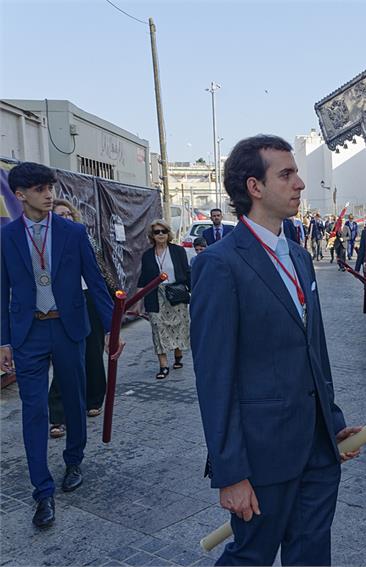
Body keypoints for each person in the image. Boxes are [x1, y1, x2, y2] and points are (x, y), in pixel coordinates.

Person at [191, 134, 361, 565]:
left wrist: (333, 422)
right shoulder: (219, 264)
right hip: (263, 455)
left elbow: (314, 351)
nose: (300, 183)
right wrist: (230, 473)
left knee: (311, 554)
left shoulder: (301, 257)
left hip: (318, 451)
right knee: (252, 555)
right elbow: (214, 378)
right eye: (286, 174)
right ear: (254, 187)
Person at [1, 162, 121, 529]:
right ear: (20, 195)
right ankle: (42, 491)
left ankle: (74, 459)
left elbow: (96, 283)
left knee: (74, 397)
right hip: (28, 334)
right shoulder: (6, 238)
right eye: (39, 189)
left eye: (50, 187)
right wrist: (3, 341)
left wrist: (111, 331)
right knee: (33, 409)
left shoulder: (72, 232)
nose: (49, 194)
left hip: (69, 329)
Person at [47, 200, 115, 439]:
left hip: (88, 299)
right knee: (64, 360)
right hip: (61, 304)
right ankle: (57, 415)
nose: (65, 218)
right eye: (60, 215)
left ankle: (94, 399)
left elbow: (99, 275)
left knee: (93, 354)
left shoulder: (83, 238)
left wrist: (110, 322)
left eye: (68, 214)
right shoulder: (45, 244)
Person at [138, 220, 191, 381]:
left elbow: (187, 272)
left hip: (176, 294)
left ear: (168, 234)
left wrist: (195, 291)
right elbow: (143, 279)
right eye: (156, 232)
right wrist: (138, 302)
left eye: (163, 231)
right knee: (158, 328)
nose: (160, 234)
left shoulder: (178, 251)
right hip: (155, 296)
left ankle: (178, 354)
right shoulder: (147, 255)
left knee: (178, 327)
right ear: (152, 236)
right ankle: (163, 365)